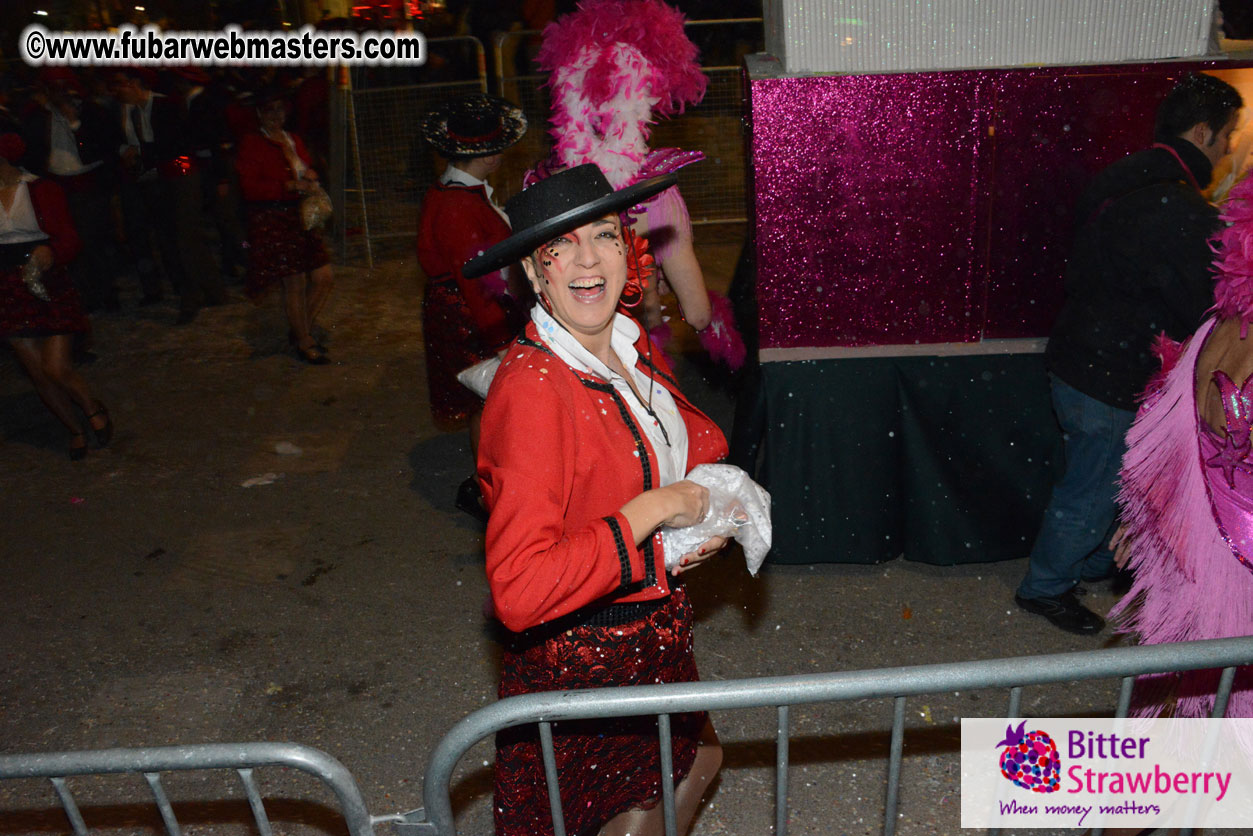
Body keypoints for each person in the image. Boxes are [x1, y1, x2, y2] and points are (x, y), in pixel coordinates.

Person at [464, 164, 728, 836]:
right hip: (588, 656)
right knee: (631, 804)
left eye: (604, 236)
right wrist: (658, 513)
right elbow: (520, 590)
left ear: (626, 248)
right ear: (532, 270)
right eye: (562, 245)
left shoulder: (624, 343)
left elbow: (669, 449)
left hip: (652, 633)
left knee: (692, 763)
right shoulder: (531, 389)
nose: (588, 259)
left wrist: (694, 528)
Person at [1015, 72, 1243, 635]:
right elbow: (1198, 304)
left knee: (1100, 476)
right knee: (1093, 486)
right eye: (1228, 134)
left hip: (1079, 357)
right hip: (1108, 373)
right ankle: (1044, 587)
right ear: (1202, 131)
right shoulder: (1177, 206)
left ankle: (1088, 559)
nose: (1231, 146)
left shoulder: (1126, 176)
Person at [1108, 171, 1253, 742]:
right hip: (1235, 576)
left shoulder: (1214, 329)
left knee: (1175, 716)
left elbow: (1169, 436)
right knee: (1179, 740)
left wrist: (1144, 519)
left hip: (1190, 549)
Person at [529, 0, 745, 369]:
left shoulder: (539, 184)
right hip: (635, 368)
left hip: (563, 364)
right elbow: (696, 313)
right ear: (644, 99)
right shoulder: (655, 194)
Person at [415, 93, 527, 516]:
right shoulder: (459, 205)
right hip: (469, 312)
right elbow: (475, 280)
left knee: (486, 400)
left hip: (466, 306)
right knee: (487, 400)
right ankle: (487, 487)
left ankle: (491, 478)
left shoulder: (456, 191)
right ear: (491, 156)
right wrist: (500, 338)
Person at [0, 133, 112, 460]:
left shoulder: (40, 189)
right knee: (37, 372)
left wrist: (51, 250)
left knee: (55, 367)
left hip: (47, 281)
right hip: (7, 289)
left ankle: (91, 407)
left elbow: (69, 238)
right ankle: (74, 429)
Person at [235, 88, 334, 364]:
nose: (275, 116)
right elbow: (250, 187)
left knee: (324, 277)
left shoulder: (294, 139)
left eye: (280, 109)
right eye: (269, 110)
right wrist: (288, 185)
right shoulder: (252, 144)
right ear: (259, 113)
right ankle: (304, 340)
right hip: (273, 218)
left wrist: (310, 175)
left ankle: (300, 329)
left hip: (300, 216)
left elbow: (304, 167)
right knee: (294, 283)